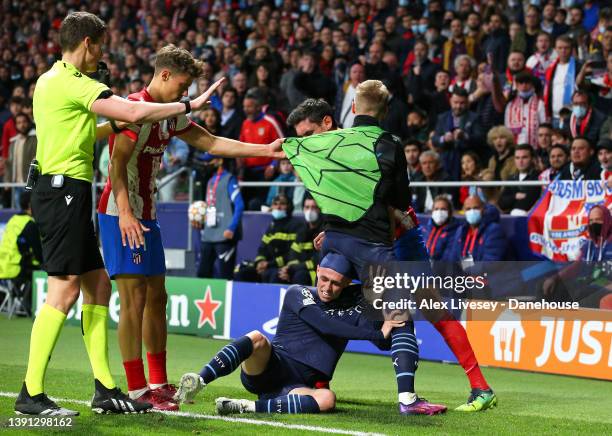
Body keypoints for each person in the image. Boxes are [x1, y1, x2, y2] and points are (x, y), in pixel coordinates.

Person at [16, 11, 239, 417]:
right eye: (100, 45)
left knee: (99, 285)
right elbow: (134, 113)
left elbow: (87, 131)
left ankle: (105, 388)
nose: (102, 53)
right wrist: (190, 103)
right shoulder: (75, 81)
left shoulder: (48, 81)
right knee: (64, 290)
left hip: (65, 190)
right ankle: (31, 393)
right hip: (64, 190)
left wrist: (115, 128)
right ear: (88, 43)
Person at [98, 44, 283, 410]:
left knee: (158, 298)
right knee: (132, 300)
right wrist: (125, 213)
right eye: (183, 86)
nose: (185, 95)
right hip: (121, 212)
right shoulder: (133, 109)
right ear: (163, 75)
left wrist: (264, 151)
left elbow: (210, 142)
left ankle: (158, 382)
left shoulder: (169, 115)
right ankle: (137, 390)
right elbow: (116, 167)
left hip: (146, 213)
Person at [285, 92, 496, 413]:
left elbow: (388, 198)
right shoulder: (322, 154)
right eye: (300, 138)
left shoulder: (364, 143)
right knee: (329, 296)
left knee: (431, 309)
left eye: (309, 135)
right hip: (357, 239)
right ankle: (316, 382)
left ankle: (479, 388)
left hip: (398, 238)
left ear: (328, 123)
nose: (306, 143)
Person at [173, 253, 423, 415]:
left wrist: (391, 324)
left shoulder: (356, 305)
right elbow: (325, 324)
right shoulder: (298, 292)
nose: (327, 287)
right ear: (316, 270)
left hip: (298, 385)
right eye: (323, 279)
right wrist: (377, 334)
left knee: (327, 399)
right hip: (270, 367)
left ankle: (246, 407)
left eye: (336, 283)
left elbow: (384, 342)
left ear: (347, 282)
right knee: (257, 338)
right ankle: (198, 381)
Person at [234, 193, 302, 283]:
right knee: (241, 273)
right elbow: (262, 249)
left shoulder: (295, 225)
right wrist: (260, 262)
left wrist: (269, 264)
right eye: (275, 204)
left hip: (282, 267)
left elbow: (292, 254)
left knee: (272, 275)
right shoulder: (272, 225)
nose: (278, 207)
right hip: (267, 266)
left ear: (289, 207)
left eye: (282, 204)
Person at [195, 155, 244, 280]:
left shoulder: (229, 179)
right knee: (202, 273)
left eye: (209, 161)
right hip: (208, 235)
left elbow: (240, 205)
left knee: (225, 275)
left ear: (220, 160)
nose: (206, 164)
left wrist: (232, 228)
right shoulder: (210, 181)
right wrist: (198, 220)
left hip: (225, 235)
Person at [237, 88, 284, 210]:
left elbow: (282, 144)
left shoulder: (270, 122)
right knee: (246, 204)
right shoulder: (245, 123)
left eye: (249, 107)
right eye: (244, 107)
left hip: (266, 172)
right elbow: (240, 145)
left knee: (261, 204)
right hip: (248, 172)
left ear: (258, 107)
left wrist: (273, 165)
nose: (246, 110)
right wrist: (239, 159)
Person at [0, 191, 42, 315]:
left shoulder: (13, 219)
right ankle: (30, 307)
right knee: (44, 270)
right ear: (31, 204)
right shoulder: (30, 224)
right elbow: (39, 253)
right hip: (16, 268)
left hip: (3, 266)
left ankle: (23, 304)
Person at [432, 87, 486, 181]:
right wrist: (443, 138)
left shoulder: (475, 118)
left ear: (467, 103)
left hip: (466, 163)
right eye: (455, 102)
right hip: (446, 162)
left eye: (462, 103)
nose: (458, 106)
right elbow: (434, 139)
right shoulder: (442, 118)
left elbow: (481, 139)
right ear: (450, 101)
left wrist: (465, 136)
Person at [281, 195, 323, 286]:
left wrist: (295, 268)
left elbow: (318, 260)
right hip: (299, 269)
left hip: (317, 272)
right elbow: (293, 254)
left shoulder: (324, 231)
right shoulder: (302, 230)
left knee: (300, 275)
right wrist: (289, 268)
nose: (310, 211)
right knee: (279, 274)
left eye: (314, 207)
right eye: (307, 207)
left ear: (320, 209)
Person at [449, 195, 507, 262]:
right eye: (468, 209)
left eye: (476, 208)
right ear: (464, 211)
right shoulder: (461, 230)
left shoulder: (494, 231)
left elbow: (491, 263)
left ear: (484, 209)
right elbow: (453, 259)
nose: (472, 211)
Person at [544, 35, 582, 126]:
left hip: (574, 116)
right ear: (555, 49)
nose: (563, 51)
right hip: (554, 117)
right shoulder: (551, 68)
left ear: (572, 49)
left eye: (566, 48)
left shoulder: (579, 67)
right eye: (560, 48)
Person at [504, 72, 548, 147]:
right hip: (516, 146)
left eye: (527, 83)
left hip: (535, 145)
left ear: (532, 85)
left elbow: (543, 125)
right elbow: (507, 127)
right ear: (517, 85)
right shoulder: (510, 105)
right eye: (521, 83)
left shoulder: (539, 103)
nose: (524, 85)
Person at [498, 145, 542, 215]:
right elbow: (502, 203)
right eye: (517, 158)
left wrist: (511, 200)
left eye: (524, 157)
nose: (520, 161)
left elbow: (528, 201)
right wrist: (515, 196)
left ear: (532, 159)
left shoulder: (539, 177)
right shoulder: (512, 178)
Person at [5, 113, 37, 207]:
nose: (22, 125)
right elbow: (9, 164)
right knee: (18, 213)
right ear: (16, 125)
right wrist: (8, 181)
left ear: (28, 122)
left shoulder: (35, 139)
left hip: (29, 184)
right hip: (16, 185)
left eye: (24, 122)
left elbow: (36, 162)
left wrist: (32, 182)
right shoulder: (14, 142)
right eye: (18, 123)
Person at [422, 195, 460, 261]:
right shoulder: (425, 229)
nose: (439, 212)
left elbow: (450, 256)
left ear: (450, 212)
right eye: (436, 209)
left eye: (443, 209)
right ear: (432, 211)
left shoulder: (457, 231)